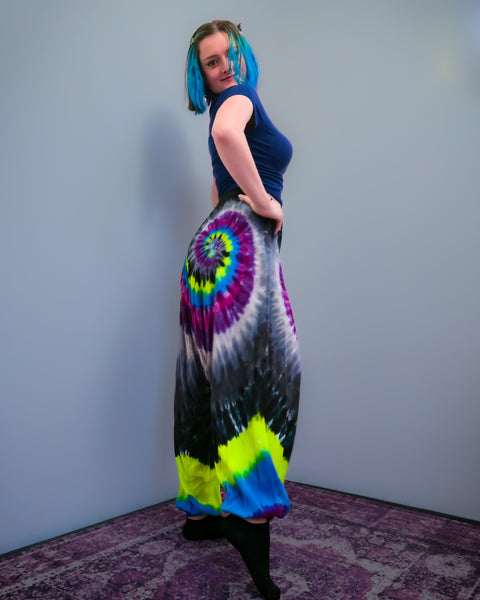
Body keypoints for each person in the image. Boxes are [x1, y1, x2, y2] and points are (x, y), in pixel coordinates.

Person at [173, 20, 301, 600]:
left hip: (208, 246)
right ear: (201, 74)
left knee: (204, 375)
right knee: (263, 374)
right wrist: (269, 203)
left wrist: (243, 201)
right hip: (241, 243)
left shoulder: (221, 109)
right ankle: (247, 517)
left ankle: (202, 508)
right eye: (211, 61)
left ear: (242, 53)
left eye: (228, 55)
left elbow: (216, 187)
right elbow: (229, 135)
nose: (223, 66)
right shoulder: (239, 100)